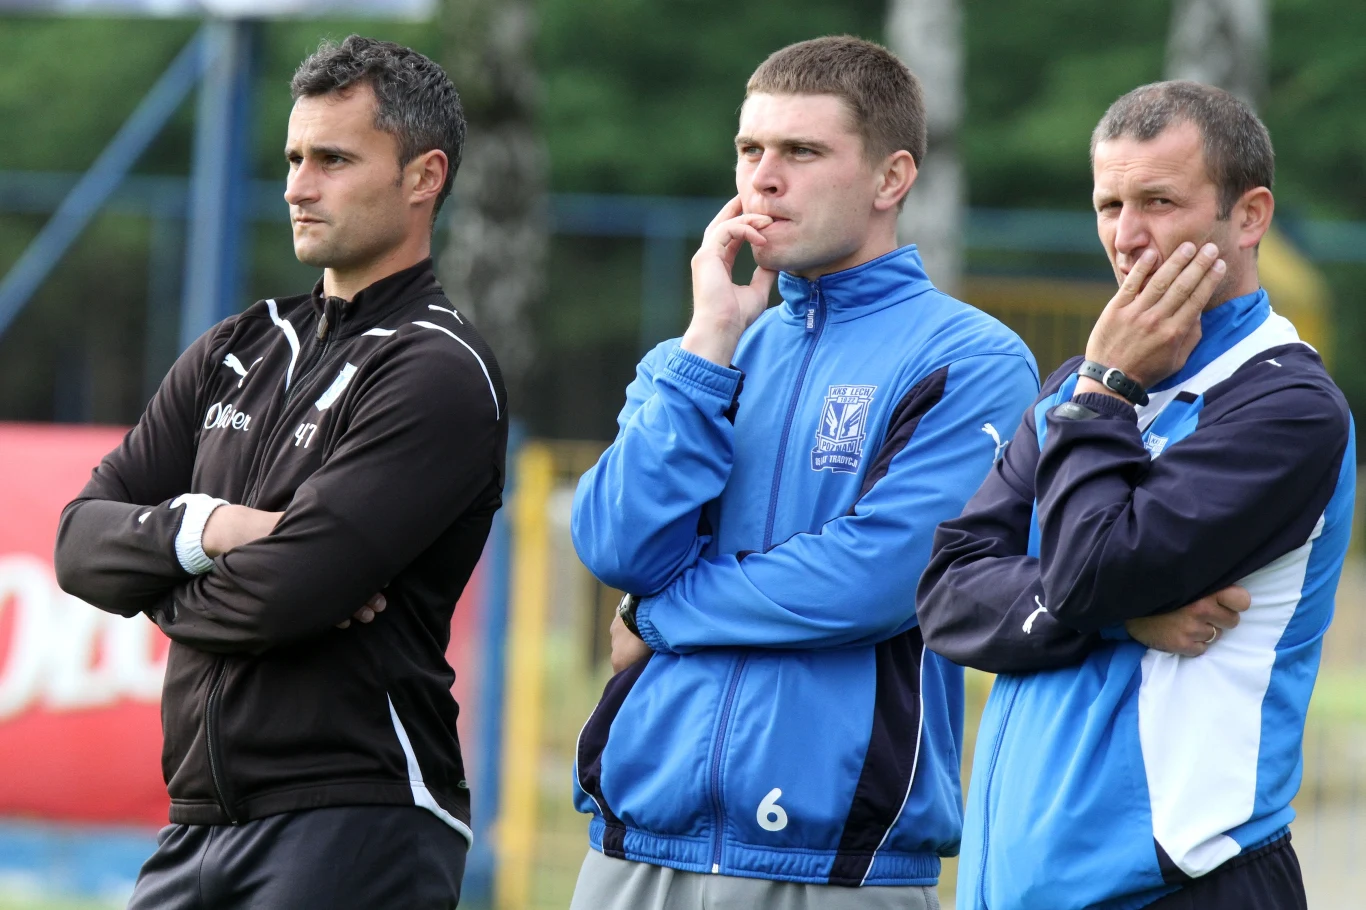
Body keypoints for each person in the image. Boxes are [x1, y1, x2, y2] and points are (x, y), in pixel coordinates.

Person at [567, 36, 1039, 910]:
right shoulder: (699, 356)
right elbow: (612, 543)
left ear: (891, 179)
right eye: (750, 150)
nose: (763, 178)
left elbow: (876, 578)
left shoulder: (970, 357)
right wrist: (710, 343)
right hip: (635, 844)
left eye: (803, 152)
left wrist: (661, 612)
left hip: (836, 864)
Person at [53, 36, 505, 909]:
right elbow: (78, 543)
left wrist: (155, 582)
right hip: (197, 822)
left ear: (425, 177)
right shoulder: (235, 345)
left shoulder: (438, 369)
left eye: (334, 160)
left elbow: (286, 593)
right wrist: (209, 531)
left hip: (355, 818)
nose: (298, 186)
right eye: (295, 158)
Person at [917, 81, 1356, 910]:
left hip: (1178, 885)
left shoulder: (1288, 408)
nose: (1126, 236)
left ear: (1250, 215)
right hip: (1015, 885)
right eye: (1108, 203)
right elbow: (946, 592)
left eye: (1158, 201)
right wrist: (1119, 619)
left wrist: (1109, 387)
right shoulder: (1074, 390)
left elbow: (1089, 572)